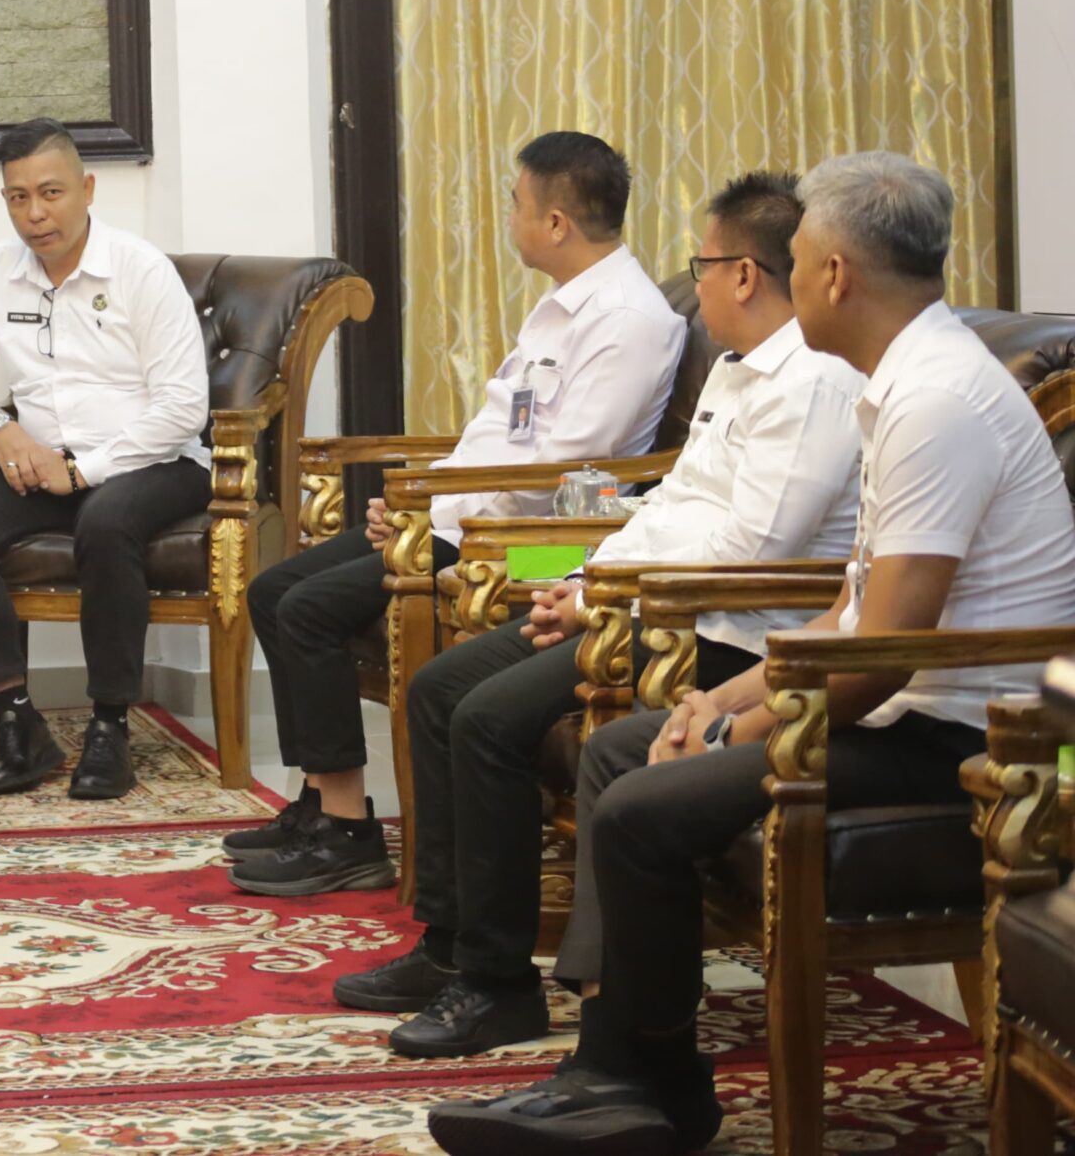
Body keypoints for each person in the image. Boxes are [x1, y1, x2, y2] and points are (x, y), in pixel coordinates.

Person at [429, 153, 1075, 1156]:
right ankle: (629, 1073)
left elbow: (887, 650)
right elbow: (850, 609)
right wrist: (722, 699)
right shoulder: (900, 381)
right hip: (894, 704)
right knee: (622, 749)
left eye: (799, 255)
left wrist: (737, 726)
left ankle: (635, 1082)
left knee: (639, 805)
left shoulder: (936, 400)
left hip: (963, 737)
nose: (783, 274)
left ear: (834, 275)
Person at [307, 172, 863, 1061]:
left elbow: (751, 546)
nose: (696, 288)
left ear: (745, 274)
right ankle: (450, 944)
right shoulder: (731, 369)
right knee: (441, 687)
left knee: (487, 716)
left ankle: (497, 984)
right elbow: (667, 501)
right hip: (627, 587)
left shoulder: (813, 384)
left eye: (704, 267)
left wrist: (607, 594)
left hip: (714, 630)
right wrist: (580, 576)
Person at [235, 133, 686, 895]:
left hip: (546, 546)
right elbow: (497, 431)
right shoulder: (559, 309)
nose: (508, 218)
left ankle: (348, 834)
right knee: (275, 589)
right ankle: (320, 799)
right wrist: (421, 503)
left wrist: (438, 514)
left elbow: (568, 471)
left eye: (516, 204)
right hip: (466, 521)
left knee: (311, 609)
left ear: (554, 223)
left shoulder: (629, 319)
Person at [0, 118, 212, 802]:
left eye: (50, 193)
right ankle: (17, 720)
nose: (35, 214)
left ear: (87, 189)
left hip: (154, 462)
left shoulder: (140, 269)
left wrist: (84, 471)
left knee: (105, 521)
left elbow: (182, 408)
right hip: (45, 462)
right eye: (18, 197)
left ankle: (110, 727)